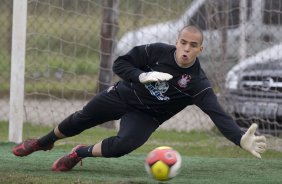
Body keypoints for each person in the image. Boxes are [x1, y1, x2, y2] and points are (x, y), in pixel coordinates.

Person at [12, 25, 267, 172]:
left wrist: (238, 138)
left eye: (193, 45)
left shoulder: (197, 83)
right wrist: (141, 76)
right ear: (177, 42)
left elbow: (217, 114)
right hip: (124, 94)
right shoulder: (156, 51)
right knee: (80, 119)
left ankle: (81, 152)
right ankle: (43, 142)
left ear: (201, 49)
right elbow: (120, 64)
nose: (186, 49)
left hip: (147, 116)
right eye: (183, 42)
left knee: (123, 147)